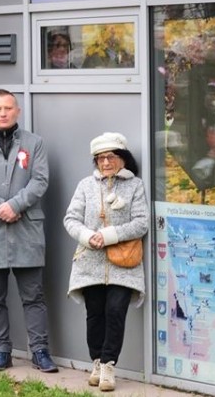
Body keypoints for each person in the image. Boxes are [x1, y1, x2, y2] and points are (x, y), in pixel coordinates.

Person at [0, 89, 58, 373]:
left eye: (8, 108)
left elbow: (40, 180)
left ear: (17, 111)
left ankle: (40, 351)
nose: (3, 113)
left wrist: (15, 205)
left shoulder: (34, 143)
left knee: (34, 296)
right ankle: (1, 350)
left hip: (26, 229)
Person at [64, 132, 147, 392]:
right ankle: (97, 361)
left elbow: (142, 222)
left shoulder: (136, 186)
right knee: (95, 314)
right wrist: (89, 237)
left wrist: (109, 236)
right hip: (89, 262)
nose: (105, 162)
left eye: (111, 157)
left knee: (115, 312)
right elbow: (70, 219)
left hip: (125, 264)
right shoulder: (85, 186)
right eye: (100, 158)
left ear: (123, 158)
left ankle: (109, 365)